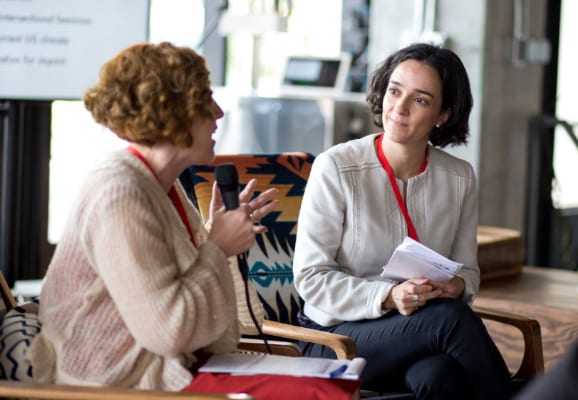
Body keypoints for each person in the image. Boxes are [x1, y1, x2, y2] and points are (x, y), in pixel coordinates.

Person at [25, 42, 358, 400]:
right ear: (172, 113)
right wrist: (217, 246)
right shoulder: (119, 191)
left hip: (173, 370)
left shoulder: (161, 184)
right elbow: (170, 332)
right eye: (205, 101)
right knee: (325, 394)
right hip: (118, 384)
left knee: (338, 384)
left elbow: (212, 327)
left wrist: (217, 244)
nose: (218, 113)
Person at [293, 43, 514, 399]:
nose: (400, 106)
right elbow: (311, 279)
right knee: (451, 320)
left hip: (417, 331)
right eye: (395, 91)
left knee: (438, 375)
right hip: (334, 338)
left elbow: (468, 273)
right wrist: (389, 296)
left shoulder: (459, 177)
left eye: (421, 100)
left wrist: (454, 287)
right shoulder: (336, 167)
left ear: (443, 114)